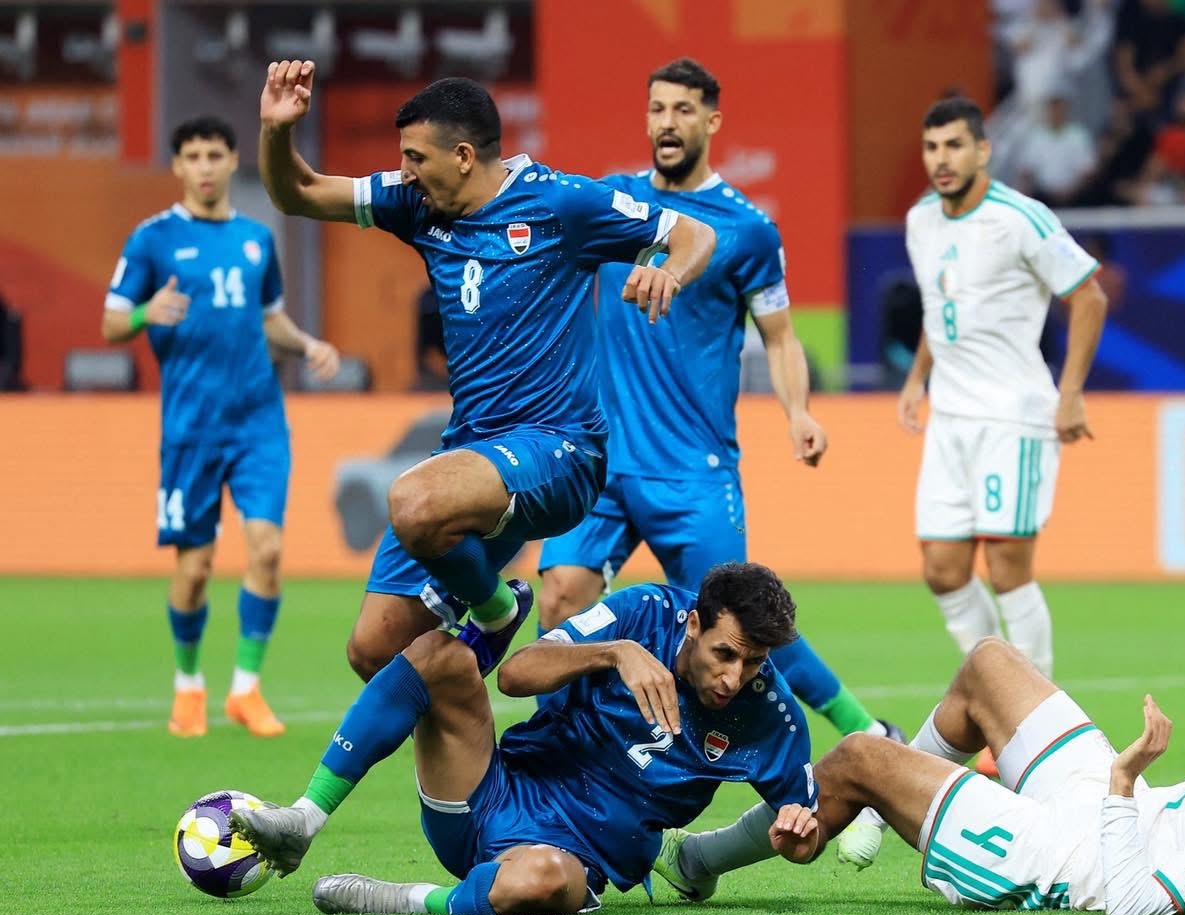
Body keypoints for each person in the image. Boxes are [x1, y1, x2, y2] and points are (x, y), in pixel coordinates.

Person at [255, 61, 715, 681]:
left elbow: (694, 234)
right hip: (473, 459)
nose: (404, 171)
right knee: (375, 650)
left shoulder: (561, 204)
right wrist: (276, 130)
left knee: (413, 501)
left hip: (558, 451)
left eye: (415, 157)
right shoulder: (416, 204)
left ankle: (497, 610)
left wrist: (669, 273)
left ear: (464, 156)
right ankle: (470, 739)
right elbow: (300, 192)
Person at [658, 536, 1185, 915]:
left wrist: (1124, 782)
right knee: (991, 663)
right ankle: (881, 806)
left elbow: (1132, 903)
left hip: (1070, 860)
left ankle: (695, 864)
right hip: (1116, 807)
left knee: (858, 757)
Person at [535, 58, 899, 741]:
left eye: (682, 110)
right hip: (602, 461)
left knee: (742, 629)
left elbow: (781, 338)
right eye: (657, 109)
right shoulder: (613, 204)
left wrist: (799, 411)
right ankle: (563, 756)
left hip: (693, 472)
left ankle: (867, 731)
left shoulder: (747, 229)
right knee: (559, 602)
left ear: (712, 121)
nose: (667, 123)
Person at [230, 562, 820, 915]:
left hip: (569, 862)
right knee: (441, 654)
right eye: (725, 654)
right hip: (491, 792)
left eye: (753, 662)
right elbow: (514, 675)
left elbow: (800, 823)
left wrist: (799, 835)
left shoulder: (771, 714)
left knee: (540, 879)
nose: (734, 678)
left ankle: (402, 898)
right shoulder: (643, 613)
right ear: (693, 624)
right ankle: (304, 818)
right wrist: (614, 653)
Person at [101, 115, 342, 738]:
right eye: (193, 156)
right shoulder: (152, 239)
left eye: (214, 154)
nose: (204, 167)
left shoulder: (256, 239)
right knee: (195, 569)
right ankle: (188, 684)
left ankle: (245, 689)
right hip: (192, 428)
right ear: (177, 166)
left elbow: (269, 318)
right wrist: (146, 313)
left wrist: (307, 344)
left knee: (268, 550)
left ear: (234, 161)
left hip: (259, 421)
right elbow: (112, 321)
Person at [897, 96, 1107, 774]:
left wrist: (1070, 392)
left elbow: (1089, 295)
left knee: (1008, 567)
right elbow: (940, 309)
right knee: (942, 569)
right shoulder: (921, 220)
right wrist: (918, 378)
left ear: (983, 150)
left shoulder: (1022, 218)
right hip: (950, 420)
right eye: (932, 147)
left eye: (955, 145)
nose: (942, 160)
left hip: (1014, 417)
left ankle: (1033, 724)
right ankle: (996, 691)